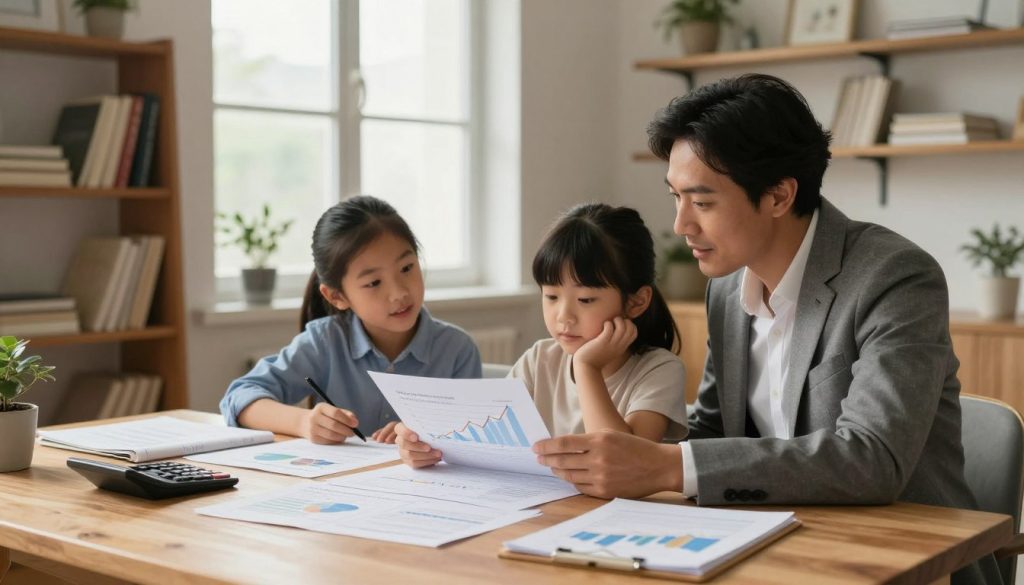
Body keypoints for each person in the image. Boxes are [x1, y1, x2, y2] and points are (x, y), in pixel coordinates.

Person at [531, 74, 1000, 585]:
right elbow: (713, 432)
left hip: (900, 560)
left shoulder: (895, 277)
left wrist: (666, 467)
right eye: (676, 197)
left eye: (702, 202)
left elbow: (873, 458)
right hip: (775, 548)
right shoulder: (729, 290)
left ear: (778, 195)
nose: (682, 224)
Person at [395, 202, 688, 469]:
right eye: (551, 296)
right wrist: (423, 445)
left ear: (636, 301)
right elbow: (484, 441)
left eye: (586, 300)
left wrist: (587, 367)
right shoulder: (540, 360)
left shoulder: (659, 370)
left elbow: (624, 465)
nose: (564, 316)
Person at [220, 195, 482, 444]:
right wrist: (304, 422)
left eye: (406, 268)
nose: (399, 293)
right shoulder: (325, 341)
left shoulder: (457, 350)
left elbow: (473, 438)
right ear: (336, 296)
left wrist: (422, 437)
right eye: (374, 282)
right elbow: (240, 397)